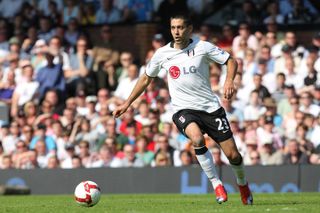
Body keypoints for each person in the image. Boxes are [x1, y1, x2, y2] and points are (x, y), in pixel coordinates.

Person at [113, 14, 253, 205]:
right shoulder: (162, 53)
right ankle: (216, 183)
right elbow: (146, 78)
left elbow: (231, 61)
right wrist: (127, 103)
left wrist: (228, 80)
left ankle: (242, 184)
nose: (176, 32)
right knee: (197, 139)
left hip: (210, 108)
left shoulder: (202, 47)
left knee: (233, 155)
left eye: (180, 27)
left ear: (189, 29)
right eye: (173, 28)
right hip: (183, 109)